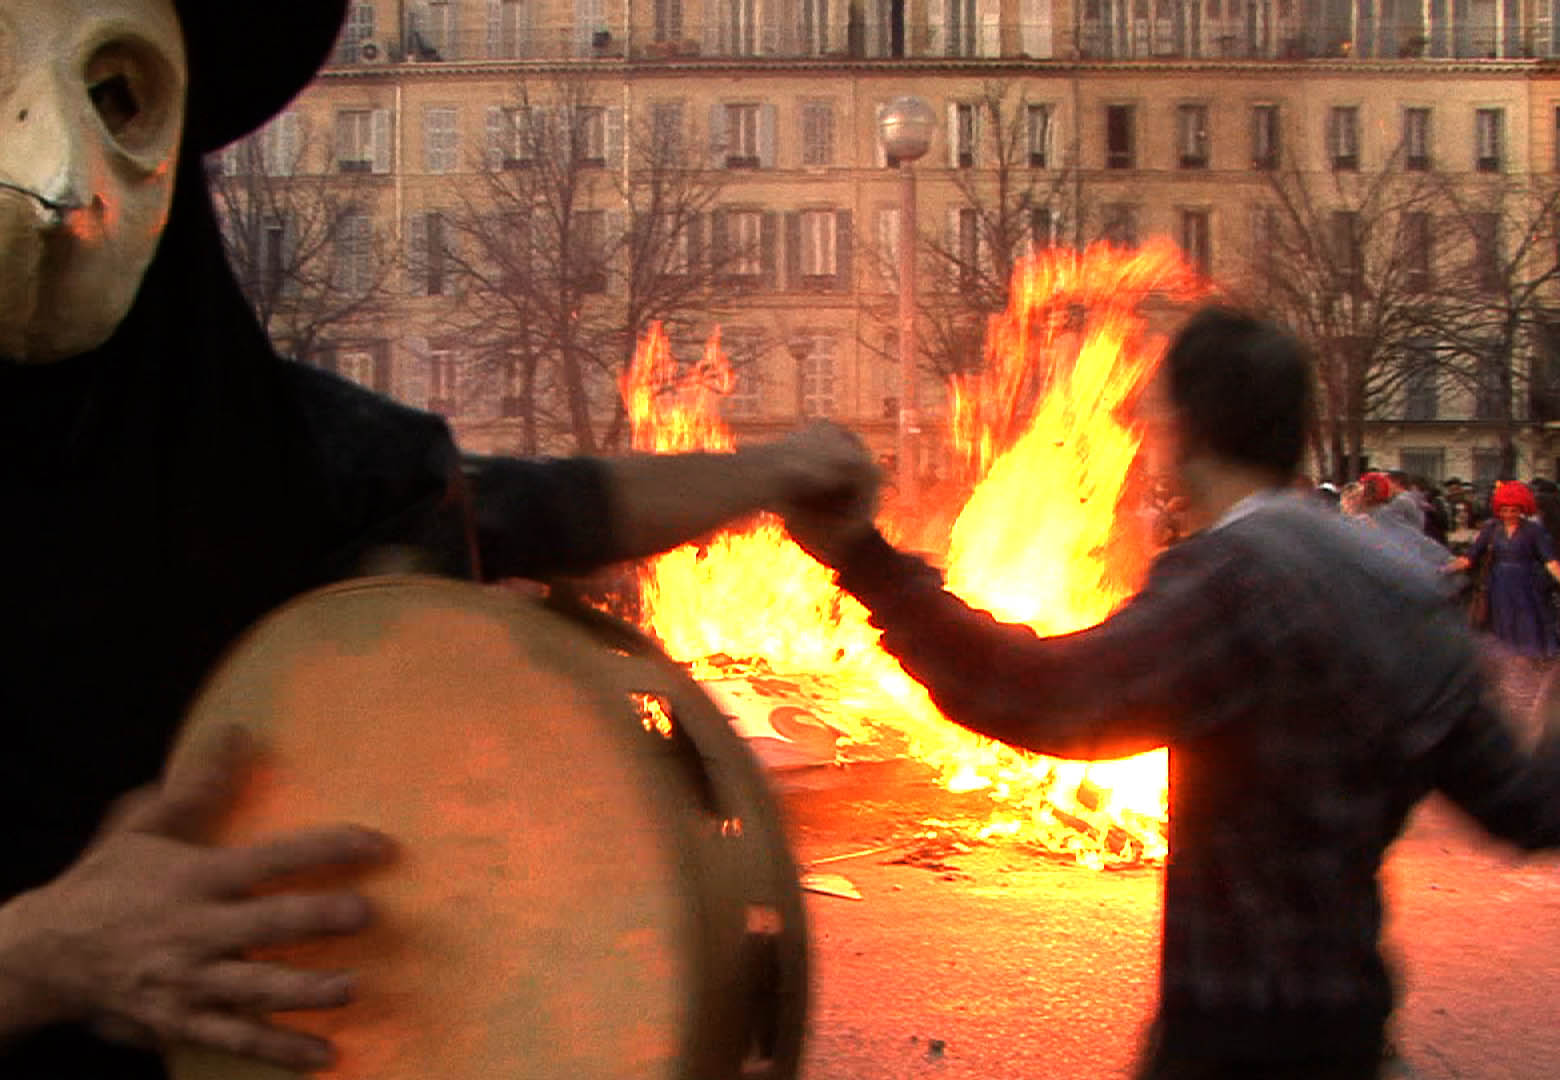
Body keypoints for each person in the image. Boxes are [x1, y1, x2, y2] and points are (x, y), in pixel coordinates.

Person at [0, 2, 875, 1077]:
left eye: (117, 96)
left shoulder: (275, 447)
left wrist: (771, 475)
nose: (42, 162)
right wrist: (41, 956)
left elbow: (529, 509)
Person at [780, 307, 1560, 1079]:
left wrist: (866, 561)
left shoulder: (1234, 580)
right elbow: (1526, 807)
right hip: (1353, 1033)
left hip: (1230, 1040)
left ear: (1186, 432)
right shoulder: (1405, 594)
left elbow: (1040, 696)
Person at [1446, 481, 1560, 660]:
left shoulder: (1534, 530)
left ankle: (1530, 658)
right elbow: (1470, 556)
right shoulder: (1491, 529)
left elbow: (1550, 560)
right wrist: (1444, 569)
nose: (1508, 514)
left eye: (1514, 510)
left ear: (1522, 508)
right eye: (1504, 510)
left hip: (1527, 582)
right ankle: (1507, 659)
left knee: (1527, 619)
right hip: (1499, 582)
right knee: (1502, 618)